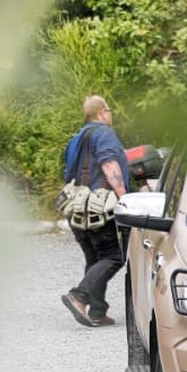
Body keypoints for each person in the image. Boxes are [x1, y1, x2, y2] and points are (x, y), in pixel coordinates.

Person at [61, 95, 131, 328]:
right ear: (101, 113)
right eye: (109, 110)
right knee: (114, 256)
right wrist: (124, 198)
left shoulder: (76, 139)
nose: (111, 115)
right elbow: (109, 165)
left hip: (76, 209)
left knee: (94, 258)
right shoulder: (104, 133)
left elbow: (68, 174)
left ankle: (98, 310)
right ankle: (79, 296)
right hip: (98, 209)